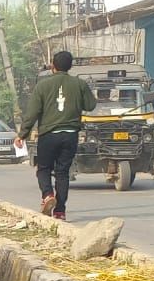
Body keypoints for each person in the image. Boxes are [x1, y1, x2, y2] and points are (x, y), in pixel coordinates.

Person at [16, 49, 96, 219]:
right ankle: (60, 211)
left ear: (53, 65)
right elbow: (90, 105)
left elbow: (33, 113)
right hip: (70, 135)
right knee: (62, 173)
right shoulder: (79, 84)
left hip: (48, 135)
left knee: (43, 169)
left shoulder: (42, 85)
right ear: (70, 66)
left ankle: (47, 195)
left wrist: (22, 134)